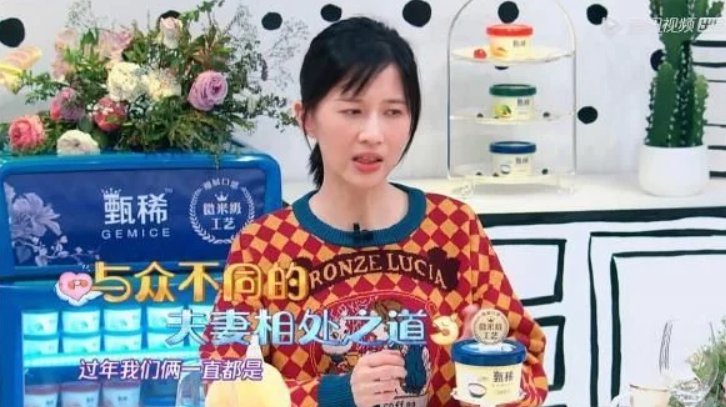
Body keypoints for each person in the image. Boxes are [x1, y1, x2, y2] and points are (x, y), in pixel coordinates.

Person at [199, 16, 548, 407]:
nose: (373, 134)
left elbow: (529, 362)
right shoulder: (263, 245)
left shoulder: (454, 226)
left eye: (393, 112)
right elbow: (221, 381)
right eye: (352, 111)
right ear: (307, 117)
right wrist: (335, 394)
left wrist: (487, 377)